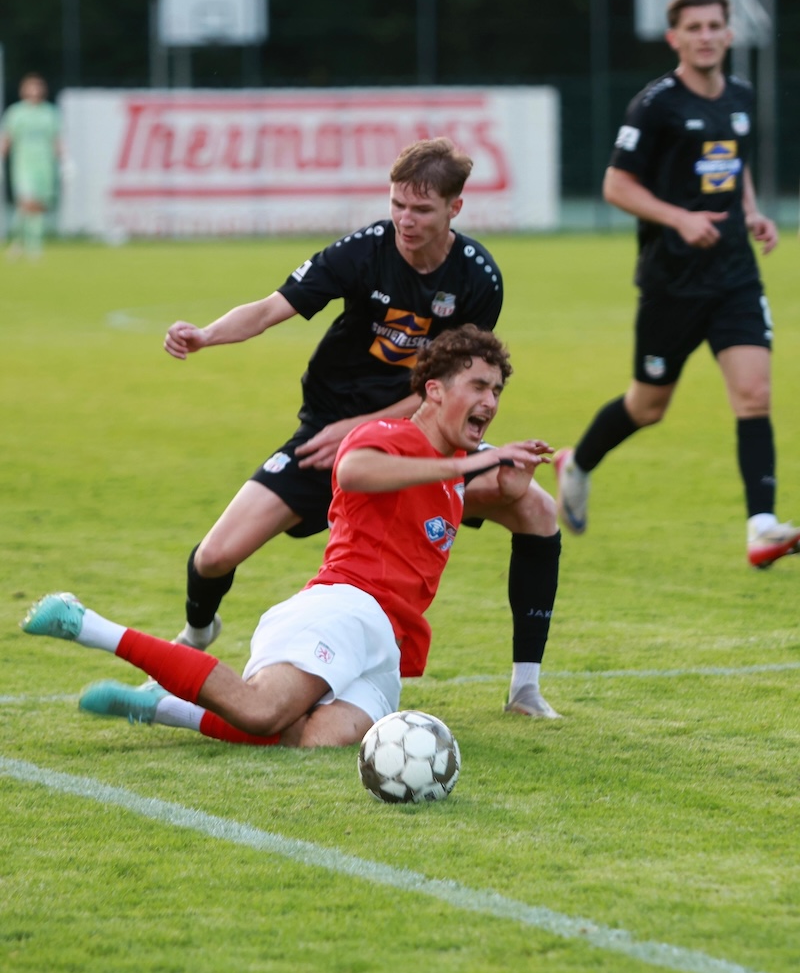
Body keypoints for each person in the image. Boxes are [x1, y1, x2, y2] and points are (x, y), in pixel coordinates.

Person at [164, 136, 562, 716]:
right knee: (214, 556)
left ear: (455, 207)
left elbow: (444, 386)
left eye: (421, 209)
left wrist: (356, 428)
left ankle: (525, 688)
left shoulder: (477, 279)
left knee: (537, 509)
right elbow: (271, 308)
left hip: (420, 441)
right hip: (326, 438)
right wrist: (206, 335)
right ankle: (197, 632)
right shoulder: (363, 251)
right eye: (397, 203)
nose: (404, 219)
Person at [22, 326, 558, 748]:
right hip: (345, 608)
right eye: (478, 386)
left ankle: (164, 707)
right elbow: (353, 471)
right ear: (434, 390)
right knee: (263, 711)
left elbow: (471, 498)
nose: (491, 401)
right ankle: (86, 624)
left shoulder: (452, 466)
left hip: (389, 645)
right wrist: (468, 465)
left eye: (497, 390)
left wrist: (504, 485)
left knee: (313, 740)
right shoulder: (389, 436)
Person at [555, 0, 797, 571]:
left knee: (754, 394)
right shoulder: (654, 105)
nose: (706, 36)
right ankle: (578, 464)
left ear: (729, 34)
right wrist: (680, 219)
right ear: (675, 38)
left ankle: (762, 527)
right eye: (694, 27)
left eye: (715, 26)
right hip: (672, 283)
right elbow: (616, 185)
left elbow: (732, 164)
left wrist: (751, 213)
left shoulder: (740, 96)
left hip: (735, 277)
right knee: (647, 406)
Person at [0, 73, 62, 260]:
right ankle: (24, 242)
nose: (35, 91)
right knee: (27, 202)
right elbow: (7, 138)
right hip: (23, 164)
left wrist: (66, 161)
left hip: (45, 165)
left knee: (39, 205)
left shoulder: (49, 113)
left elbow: (56, 139)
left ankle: (30, 243)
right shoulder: (16, 112)